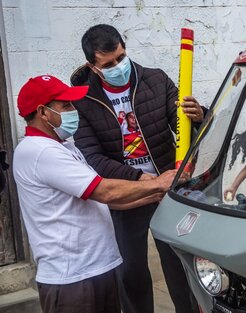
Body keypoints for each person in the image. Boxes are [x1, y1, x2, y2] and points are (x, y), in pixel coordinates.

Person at [12, 75, 183, 313]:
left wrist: (153, 196)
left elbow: (100, 201)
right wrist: (158, 183)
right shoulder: (39, 152)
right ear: (43, 112)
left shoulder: (64, 147)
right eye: (66, 105)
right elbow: (104, 191)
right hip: (73, 278)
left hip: (95, 269)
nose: (74, 110)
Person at [70, 24, 204, 313]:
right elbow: (92, 157)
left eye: (120, 57)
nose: (118, 66)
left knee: (180, 265)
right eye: (108, 64)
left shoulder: (155, 80)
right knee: (130, 270)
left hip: (169, 188)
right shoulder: (82, 102)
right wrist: (139, 179)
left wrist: (199, 116)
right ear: (93, 67)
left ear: (124, 47)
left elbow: (182, 126)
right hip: (126, 193)